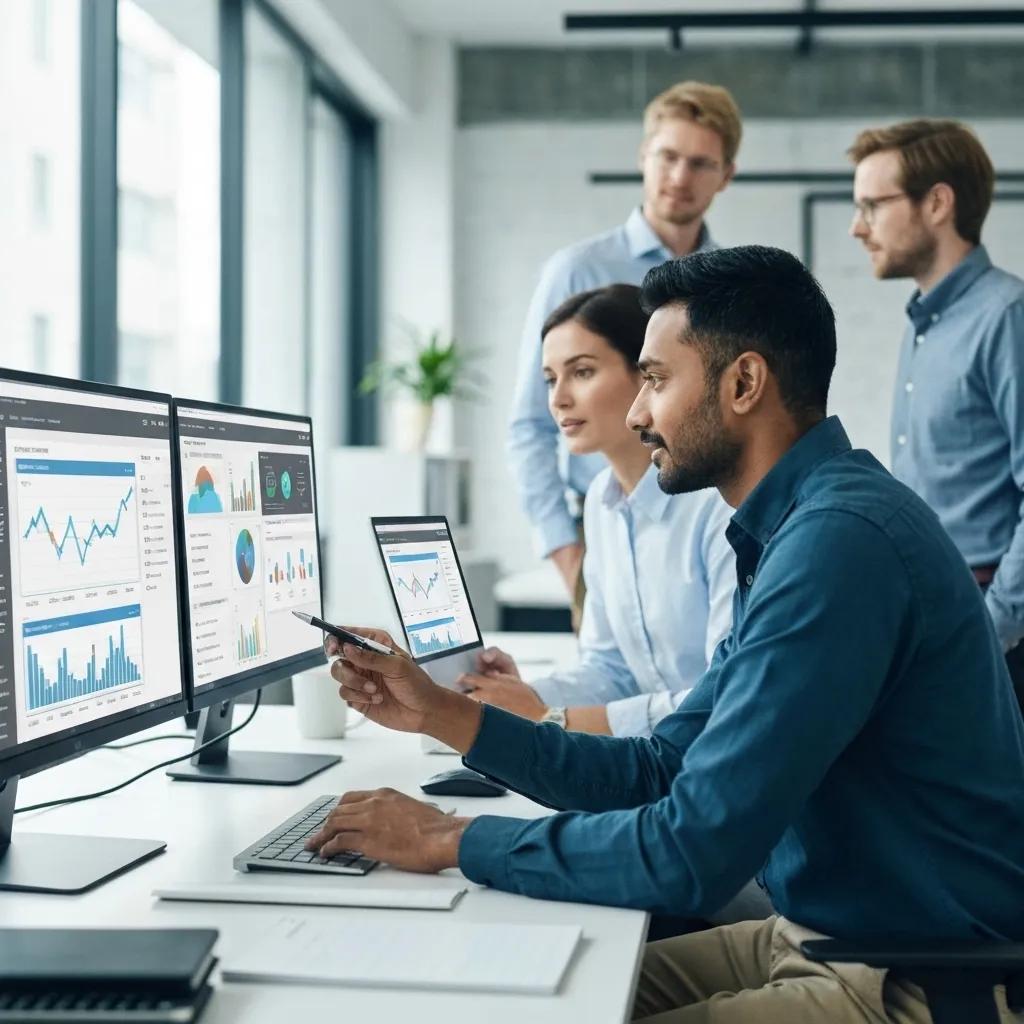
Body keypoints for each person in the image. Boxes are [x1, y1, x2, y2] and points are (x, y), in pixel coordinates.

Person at [312, 246, 1024, 1023]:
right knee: (497, 996)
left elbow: (692, 853)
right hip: (821, 935)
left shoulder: (838, 544)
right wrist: (438, 713)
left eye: (654, 379)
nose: (637, 413)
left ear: (743, 383)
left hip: (914, 977)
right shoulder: (797, 529)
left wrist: (448, 839)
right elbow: (663, 765)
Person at [462, 283, 735, 738]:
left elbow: (723, 699)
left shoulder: (718, 506)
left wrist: (549, 718)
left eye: (582, 372)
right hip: (656, 760)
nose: (558, 399)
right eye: (551, 379)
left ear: (647, 376)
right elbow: (612, 671)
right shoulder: (601, 505)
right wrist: (518, 694)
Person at [508, 81, 741, 600]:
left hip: (703, 525)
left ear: (726, 175)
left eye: (701, 163)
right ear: (643, 157)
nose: (680, 177)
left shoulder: (728, 285)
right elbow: (530, 423)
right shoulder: (577, 271)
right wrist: (568, 555)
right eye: (668, 156)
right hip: (602, 522)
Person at [848, 119, 1024, 713]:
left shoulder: (1006, 316)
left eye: (872, 205)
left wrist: (992, 629)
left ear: (938, 203)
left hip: (996, 630)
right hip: (942, 614)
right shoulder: (926, 325)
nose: (857, 227)